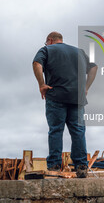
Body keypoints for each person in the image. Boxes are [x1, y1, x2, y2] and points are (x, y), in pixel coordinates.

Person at [32, 31, 97, 178]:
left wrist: (42, 84)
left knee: (56, 130)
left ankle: (54, 166)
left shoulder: (46, 49)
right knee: (78, 131)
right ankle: (81, 167)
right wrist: (85, 88)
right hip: (77, 98)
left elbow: (37, 63)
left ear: (50, 40)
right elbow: (94, 68)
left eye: (47, 42)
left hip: (56, 96)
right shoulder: (79, 52)